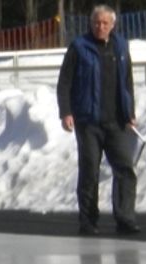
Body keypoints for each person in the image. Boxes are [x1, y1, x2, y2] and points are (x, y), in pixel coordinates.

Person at [56, 4, 140, 236]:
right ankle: (88, 220)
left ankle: (125, 218)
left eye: (104, 23)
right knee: (90, 170)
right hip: (88, 121)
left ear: (112, 25)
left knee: (125, 168)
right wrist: (66, 112)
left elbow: (128, 82)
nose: (100, 27)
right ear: (90, 24)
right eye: (96, 23)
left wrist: (130, 111)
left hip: (117, 121)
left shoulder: (121, 46)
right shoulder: (79, 47)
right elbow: (65, 82)